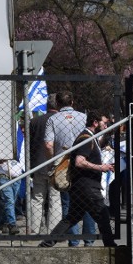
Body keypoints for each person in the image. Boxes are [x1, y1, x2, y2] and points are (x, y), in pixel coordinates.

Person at [39, 111, 118, 248]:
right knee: (103, 215)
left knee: (72, 217)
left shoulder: (91, 138)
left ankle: (47, 243)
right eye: (104, 123)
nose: (106, 126)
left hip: (81, 186)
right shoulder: (85, 138)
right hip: (87, 187)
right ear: (95, 122)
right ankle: (110, 245)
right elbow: (79, 161)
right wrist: (101, 167)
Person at [44, 91, 96, 247]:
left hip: (64, 164)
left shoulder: (52, 119)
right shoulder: (83, 117)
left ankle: (73, 240)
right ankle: (89, 239)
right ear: (72, 102)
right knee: (87, 202)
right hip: (84, 163)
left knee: (68, 204)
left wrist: (52, 161)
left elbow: (48, 144)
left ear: (58, 104)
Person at [29, 94, 61, 234]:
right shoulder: (60, 121)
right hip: (56, 164)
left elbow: (30, 144)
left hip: (38, 164)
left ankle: (34, 230)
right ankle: (53, 231)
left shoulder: (35, 121)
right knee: (55, 198)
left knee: (37, 198)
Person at [0, 158, 23, 235]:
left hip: (17, 176)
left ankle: (3, 222)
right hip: (3, 176)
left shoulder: (21, 147)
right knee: (9, 200)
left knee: (11, 202)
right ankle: (12, 224)